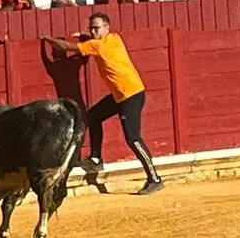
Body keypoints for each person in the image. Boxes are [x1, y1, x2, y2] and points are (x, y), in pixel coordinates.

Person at [41, 13, 164, 195]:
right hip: (122, 94)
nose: (93, 31)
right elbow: (91, 40)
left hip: (130, 95)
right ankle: (96, 158)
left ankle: (155, 178)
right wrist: (85, 35)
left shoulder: (97, 45)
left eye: (96, 28)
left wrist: (46, 39)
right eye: (91, 28)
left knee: (133, 138)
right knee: (93, 116)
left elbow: (66, 47)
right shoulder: (114, 38)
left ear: (106, 27)